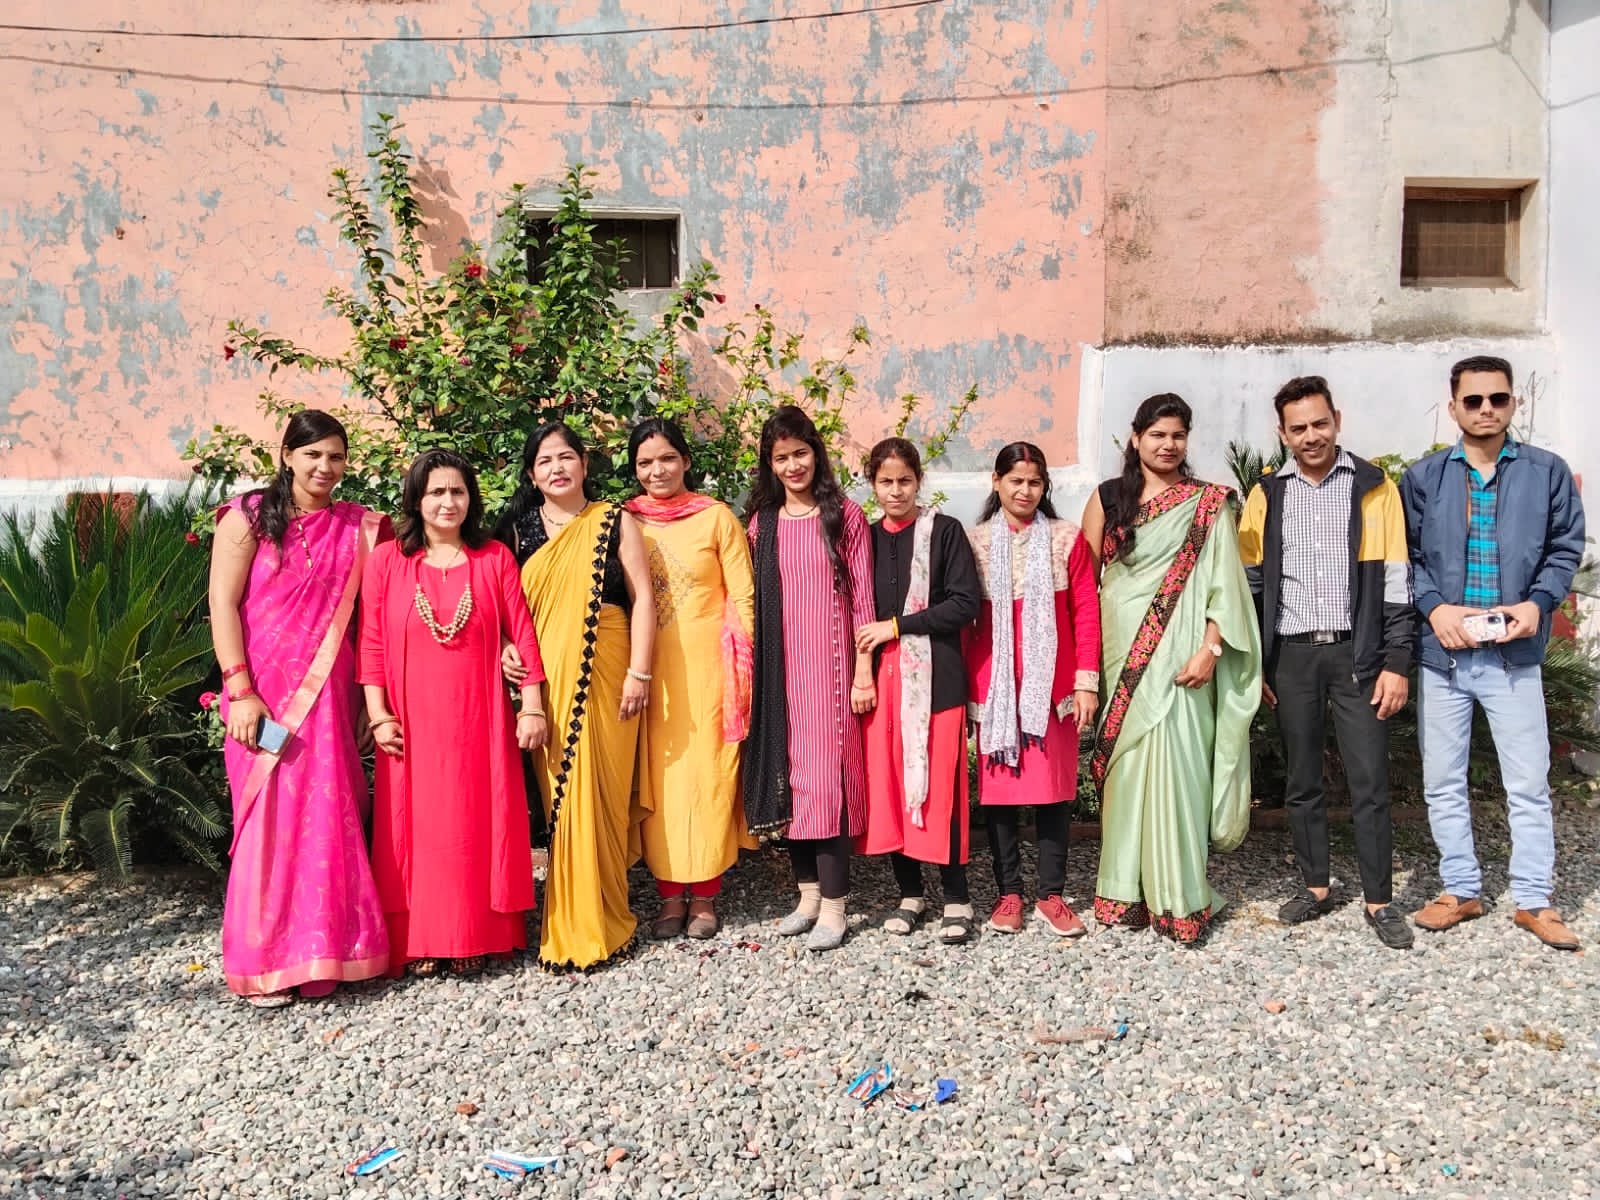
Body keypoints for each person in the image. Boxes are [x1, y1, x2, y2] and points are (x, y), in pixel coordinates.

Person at [1401, 355, 1586, 951]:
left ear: (1513, 403)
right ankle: (1461, 889)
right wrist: (1435, 609)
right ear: (1453, 406)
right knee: (1442, 782)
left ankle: (1534, 900)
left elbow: (1564, 547)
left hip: (1514, 656)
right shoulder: (1424, 477)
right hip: (1446, 656)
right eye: (1474, 400)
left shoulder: (1546, 472)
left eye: (1497, 399)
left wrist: (1538, 603)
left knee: (1528, 783)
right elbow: (1407, 558)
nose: (1486, 409)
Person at [207, 410, 391, 1004]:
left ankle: (325, 956)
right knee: (265, 820)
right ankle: (264, 961)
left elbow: (373, 621)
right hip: (262, 699)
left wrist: (370, 701)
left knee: (328, 817)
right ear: (286, 455)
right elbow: (221, 604)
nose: (325, 467)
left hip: (331, 698)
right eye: (313, 454)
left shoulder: (361, 528)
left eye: (336, 456)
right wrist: (240, 690)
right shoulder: (247, 517)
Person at [1237, 376, 1416, 950]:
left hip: (1357, 656)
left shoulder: (1374, 487)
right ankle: (1316, 886)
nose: (1311, 436)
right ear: (1282, 433)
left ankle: (1379, 900)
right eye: (1299, 428)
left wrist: (1397, 660)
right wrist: (1258, 664)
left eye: (1320, 423)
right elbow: (1250, 584)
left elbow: (1395, 580)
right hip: (1292, 657)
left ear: (1337, 420)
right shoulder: (1268, 495)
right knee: (1302, 780)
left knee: (1369, 780)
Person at [359, 449, 548, 977]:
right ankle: (420, 938)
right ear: (416, 500)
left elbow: (522, 633)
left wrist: (531, 706)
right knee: (414, 830)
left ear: (472, 498)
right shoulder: (388, 561)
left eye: (458, 491)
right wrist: (378, 716)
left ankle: (477, 935)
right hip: (409, 723)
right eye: (436, 492)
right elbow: (371, 644)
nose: (448, 502)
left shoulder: (494, 559)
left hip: (479, 720)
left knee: (473, 824)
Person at [1082, 393, 1261, 944]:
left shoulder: (1208, 504)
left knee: (1180, 768)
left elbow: (1225, 587)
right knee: (1127, 769)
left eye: (1178, 435)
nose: (1168, 445)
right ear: (1136, 437)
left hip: (1185, 654)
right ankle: (1122, 892)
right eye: (1157, 434)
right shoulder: (1108, 498)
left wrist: (1210, 648)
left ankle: (1179, 897)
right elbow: (1084, 585)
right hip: (1120, 651)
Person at [504, 422, 657, 971]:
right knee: (563, 801)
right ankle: (571, 920)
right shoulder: (516, 531)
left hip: (611, 673)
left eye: (566, 457)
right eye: (545, 461)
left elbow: (643, 599)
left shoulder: (616, 520)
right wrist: (505, 649)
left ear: (585, 464)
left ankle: (609, 915)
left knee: (605, 794)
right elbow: (502, 607)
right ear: (532, 475)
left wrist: (640, 671)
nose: (557, 468)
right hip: (546, 681)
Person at [744, 405, 876, 952]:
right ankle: (807, 897)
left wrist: (863, 671)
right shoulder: (762, 524)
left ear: (816, 454)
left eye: (801, 453)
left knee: (826, 784)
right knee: (791, 780)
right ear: (769, 464)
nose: (793, 465)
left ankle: (837, 905)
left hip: (831, 670)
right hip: (780, 671)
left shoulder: (843, 516)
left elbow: (863, 599)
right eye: (782, 458)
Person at [624, 417, 757, 941]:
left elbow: (743, 596)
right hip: (645, 671)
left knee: (707, 779)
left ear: (685, 461)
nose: (657, 471)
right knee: (659, 784)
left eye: (666, 459)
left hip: (709, 673)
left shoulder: (716, 518)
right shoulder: (625, 521)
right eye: (645, 463)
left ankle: (703, 895)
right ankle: (667, 894)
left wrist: (742, 672)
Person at [965, 442, 1101, 937]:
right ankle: (1009, 893)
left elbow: (1085, 611)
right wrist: (963, 691)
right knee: (1000, 796)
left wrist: (1086, 682)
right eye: (1016, 481)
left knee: (1053, 793)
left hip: (1053, 689)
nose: (1025, 491)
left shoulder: (1066, 539)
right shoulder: (975, 543)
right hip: (994, 688)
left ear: (1045, 487)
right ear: (996, 482)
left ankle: (1050, 894)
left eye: (1035, 482)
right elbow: (966, 624)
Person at [854, 438, 982, 943]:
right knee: (889, 785)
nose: (896, 491)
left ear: (919, 481)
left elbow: (964, 604)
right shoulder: (864, 539)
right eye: (885, 482)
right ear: (872, 484)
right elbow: (855, 611)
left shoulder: (944, 532)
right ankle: (910, 893)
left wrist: (896, 626)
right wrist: (863, 669)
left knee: (942, 787)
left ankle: (956, 896)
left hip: (937, 680)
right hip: (881, 683)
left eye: (904, 481)